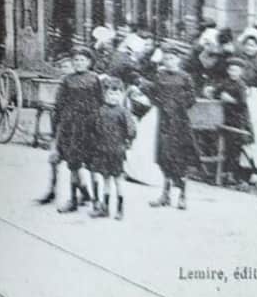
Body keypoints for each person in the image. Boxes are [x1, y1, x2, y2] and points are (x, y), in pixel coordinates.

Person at [145, 46, 197, 209]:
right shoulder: (159, 75)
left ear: (178, 60)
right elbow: (153, 94)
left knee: (180, 158)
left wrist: (177, 103)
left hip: (180, 122)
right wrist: (161, 103)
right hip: (164, 121)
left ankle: (182, 196)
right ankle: (165, 195)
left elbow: (191, 98)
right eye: (166, 59)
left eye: (172, 58)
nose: (169, 62)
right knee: (164, 156)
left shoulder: (185, 77)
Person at [53, 46, 103, 213]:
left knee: (93, 166)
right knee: (73, 164)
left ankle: (96, 201)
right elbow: (59, 105)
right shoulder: (67, 80)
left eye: (82, 60)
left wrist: (100, 125)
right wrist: (59, 126)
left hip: (90, 127)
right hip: (72, 127)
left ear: (89, 62)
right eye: (76, 60)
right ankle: (73, 200)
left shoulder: (95, 79)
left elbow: (101, 102)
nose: (79, 63)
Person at [91, 77, 136, 220]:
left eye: (116, 94)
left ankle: (120, 209)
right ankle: (105, 207)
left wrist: (127, 142)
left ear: (122, 95)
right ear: (105, 95)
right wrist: (96, 142)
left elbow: (131, 130)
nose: (113, 97)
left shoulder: (123, 112)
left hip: (117, 150)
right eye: (110, 94)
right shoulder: (100, 111)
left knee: (117, 179)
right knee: (105, 179)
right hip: (102, 150)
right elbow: (94, 127)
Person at [38, 57, 76, 205]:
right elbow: (57, 108)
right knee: (54, 160)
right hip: (60, 127)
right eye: (62, 67)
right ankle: (52, 190)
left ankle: (84, 193)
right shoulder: (62, 84)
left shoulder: (75, 87)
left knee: (75, 165)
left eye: (67, 67)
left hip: (73, 128)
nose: (64, 70)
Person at [218, 56, 254, 185]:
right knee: (226, 147)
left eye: (236, 70)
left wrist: (230, 100)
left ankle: (232, 175)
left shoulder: (241, 85)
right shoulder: (225, 82)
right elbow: (217, 91)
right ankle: (224, 172)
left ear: (241, 72)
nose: (233, 73)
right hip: (226, 118)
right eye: (231, 70)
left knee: (235, 149)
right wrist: (211, 91)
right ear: (228, 71)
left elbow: (243, 104)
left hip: (238, 120)